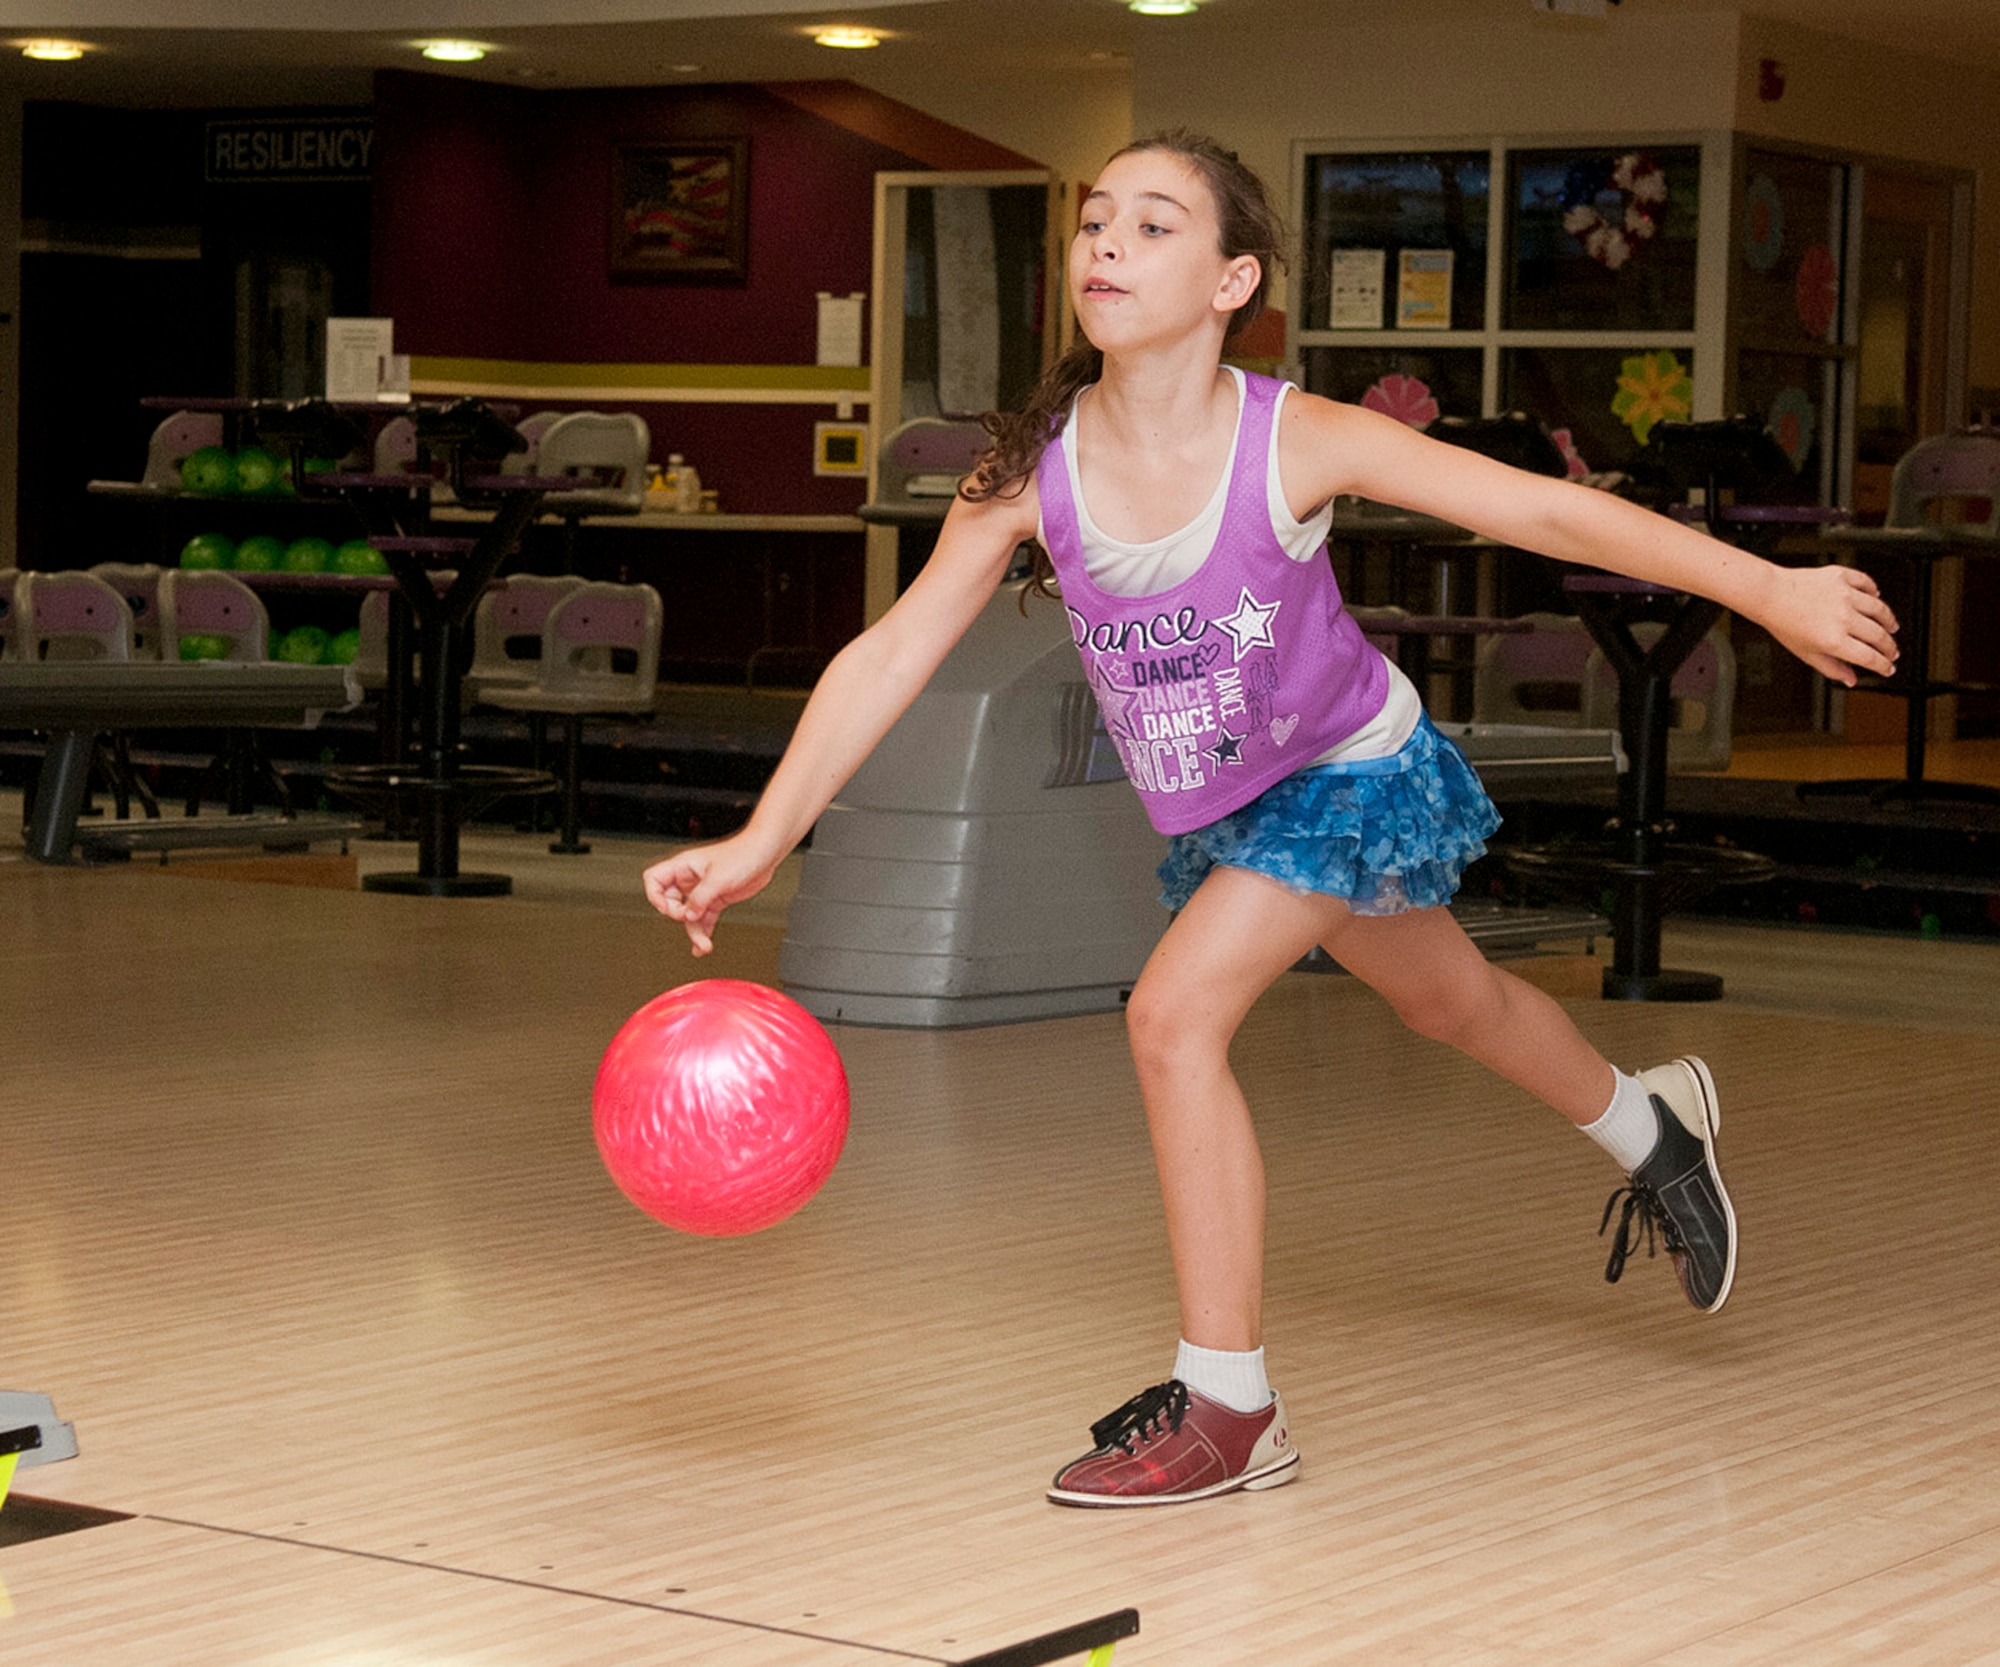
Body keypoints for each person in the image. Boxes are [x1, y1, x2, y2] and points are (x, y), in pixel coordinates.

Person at [644, 131, 1899, 1509]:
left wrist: (1766, 589)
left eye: (1155, 225)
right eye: (1096, 220)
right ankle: (1652, 1127)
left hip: (1352, 773)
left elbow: (1551, 516)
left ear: (1232, 278)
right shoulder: (1029, 474)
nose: (1108, 243)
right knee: (1456, 1007)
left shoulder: (1299, 438)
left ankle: (1232, 1408)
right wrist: (762, 839)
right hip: (1232, 808)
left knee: (1172, 1017)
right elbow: (889, 654)